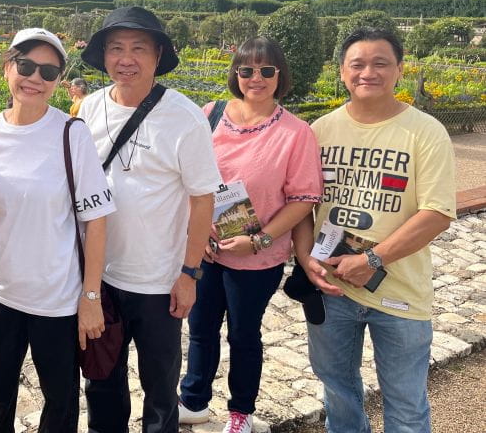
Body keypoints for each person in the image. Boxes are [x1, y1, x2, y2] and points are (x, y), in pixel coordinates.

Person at [0, 28, 114, 433]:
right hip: (0, 293)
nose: (35, 78)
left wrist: (90, 295)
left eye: (48, 71)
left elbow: (96, 221)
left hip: (56, 298)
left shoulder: (70, 134)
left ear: (59, 80)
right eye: (26, 66)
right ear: (8, 68)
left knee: (59, 401)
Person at [292, 28, 456, 433]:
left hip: (399, 291)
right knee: (338, 392)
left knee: (404, 400)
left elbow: (437, 212)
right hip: (331, 289)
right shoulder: (319, 131)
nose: (369, 72)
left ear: (399, 69)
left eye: (380, 63)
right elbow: (301, 204)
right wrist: (305, 259)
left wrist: (373, 259)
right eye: (358, 64)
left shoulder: (425, 131)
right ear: (342, 72)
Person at [77, 6, 221, 432]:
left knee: (159, 386)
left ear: (158, 55)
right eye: (116, 48)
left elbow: (202, 200)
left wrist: (189, 274)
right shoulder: (87, 108)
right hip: (99, 277)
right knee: (101, 378)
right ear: (103, 56)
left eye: (138, 48)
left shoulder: (185, 117)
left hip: (159, 281)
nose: (126, 58)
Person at [177, 37, 323, 433]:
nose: (255, 78)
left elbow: (302, 200)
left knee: (243, 333)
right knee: (201, 328)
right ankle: (193, 400)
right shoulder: (210, 115)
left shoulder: (296, 133)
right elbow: (191, 180)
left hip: (257, 257)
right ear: (235, 74)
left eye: (265, 71)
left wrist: (258, 240)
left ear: (280, 75)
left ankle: (241, 411)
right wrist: (198, 234)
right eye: (246, 70)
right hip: (206, 250)